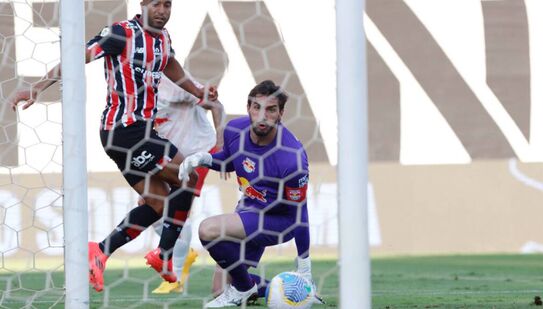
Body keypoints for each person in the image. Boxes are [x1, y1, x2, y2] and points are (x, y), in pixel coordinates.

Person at [8, 0, 217, 292]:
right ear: (142, 3)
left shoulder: (163, 38)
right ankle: (164, 255)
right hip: (126, 132)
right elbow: (76, 57)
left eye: (168, 5)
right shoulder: (120, 33)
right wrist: (37, 87)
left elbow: (168, 62)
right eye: (156, 3)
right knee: (188, 175)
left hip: (136, 134)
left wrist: (197, 91)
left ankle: (100, 251)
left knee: (158, 203)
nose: (162, 11)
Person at [180, 80, 316, 307]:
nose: (262, 115)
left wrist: (304, 263)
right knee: (219, 290)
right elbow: (228, 163)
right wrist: (203, 159)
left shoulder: (291, 159)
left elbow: (299, 212)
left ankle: (245, 288)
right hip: (248, 210)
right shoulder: (235, 130)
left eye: (271, 109)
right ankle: (294, 290)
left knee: (208, 229)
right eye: (256, 107)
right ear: (248, 108)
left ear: (281, 113)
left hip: (277, 221)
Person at [150, 72, 225, 294]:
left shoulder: (174, 84)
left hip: (197, 152)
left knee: (177, 212)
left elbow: (217, 106)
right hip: (171, 156)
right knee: (148, 208)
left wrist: (221, 145)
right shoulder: (137, 89)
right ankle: (185, 251)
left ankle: (176, 278)